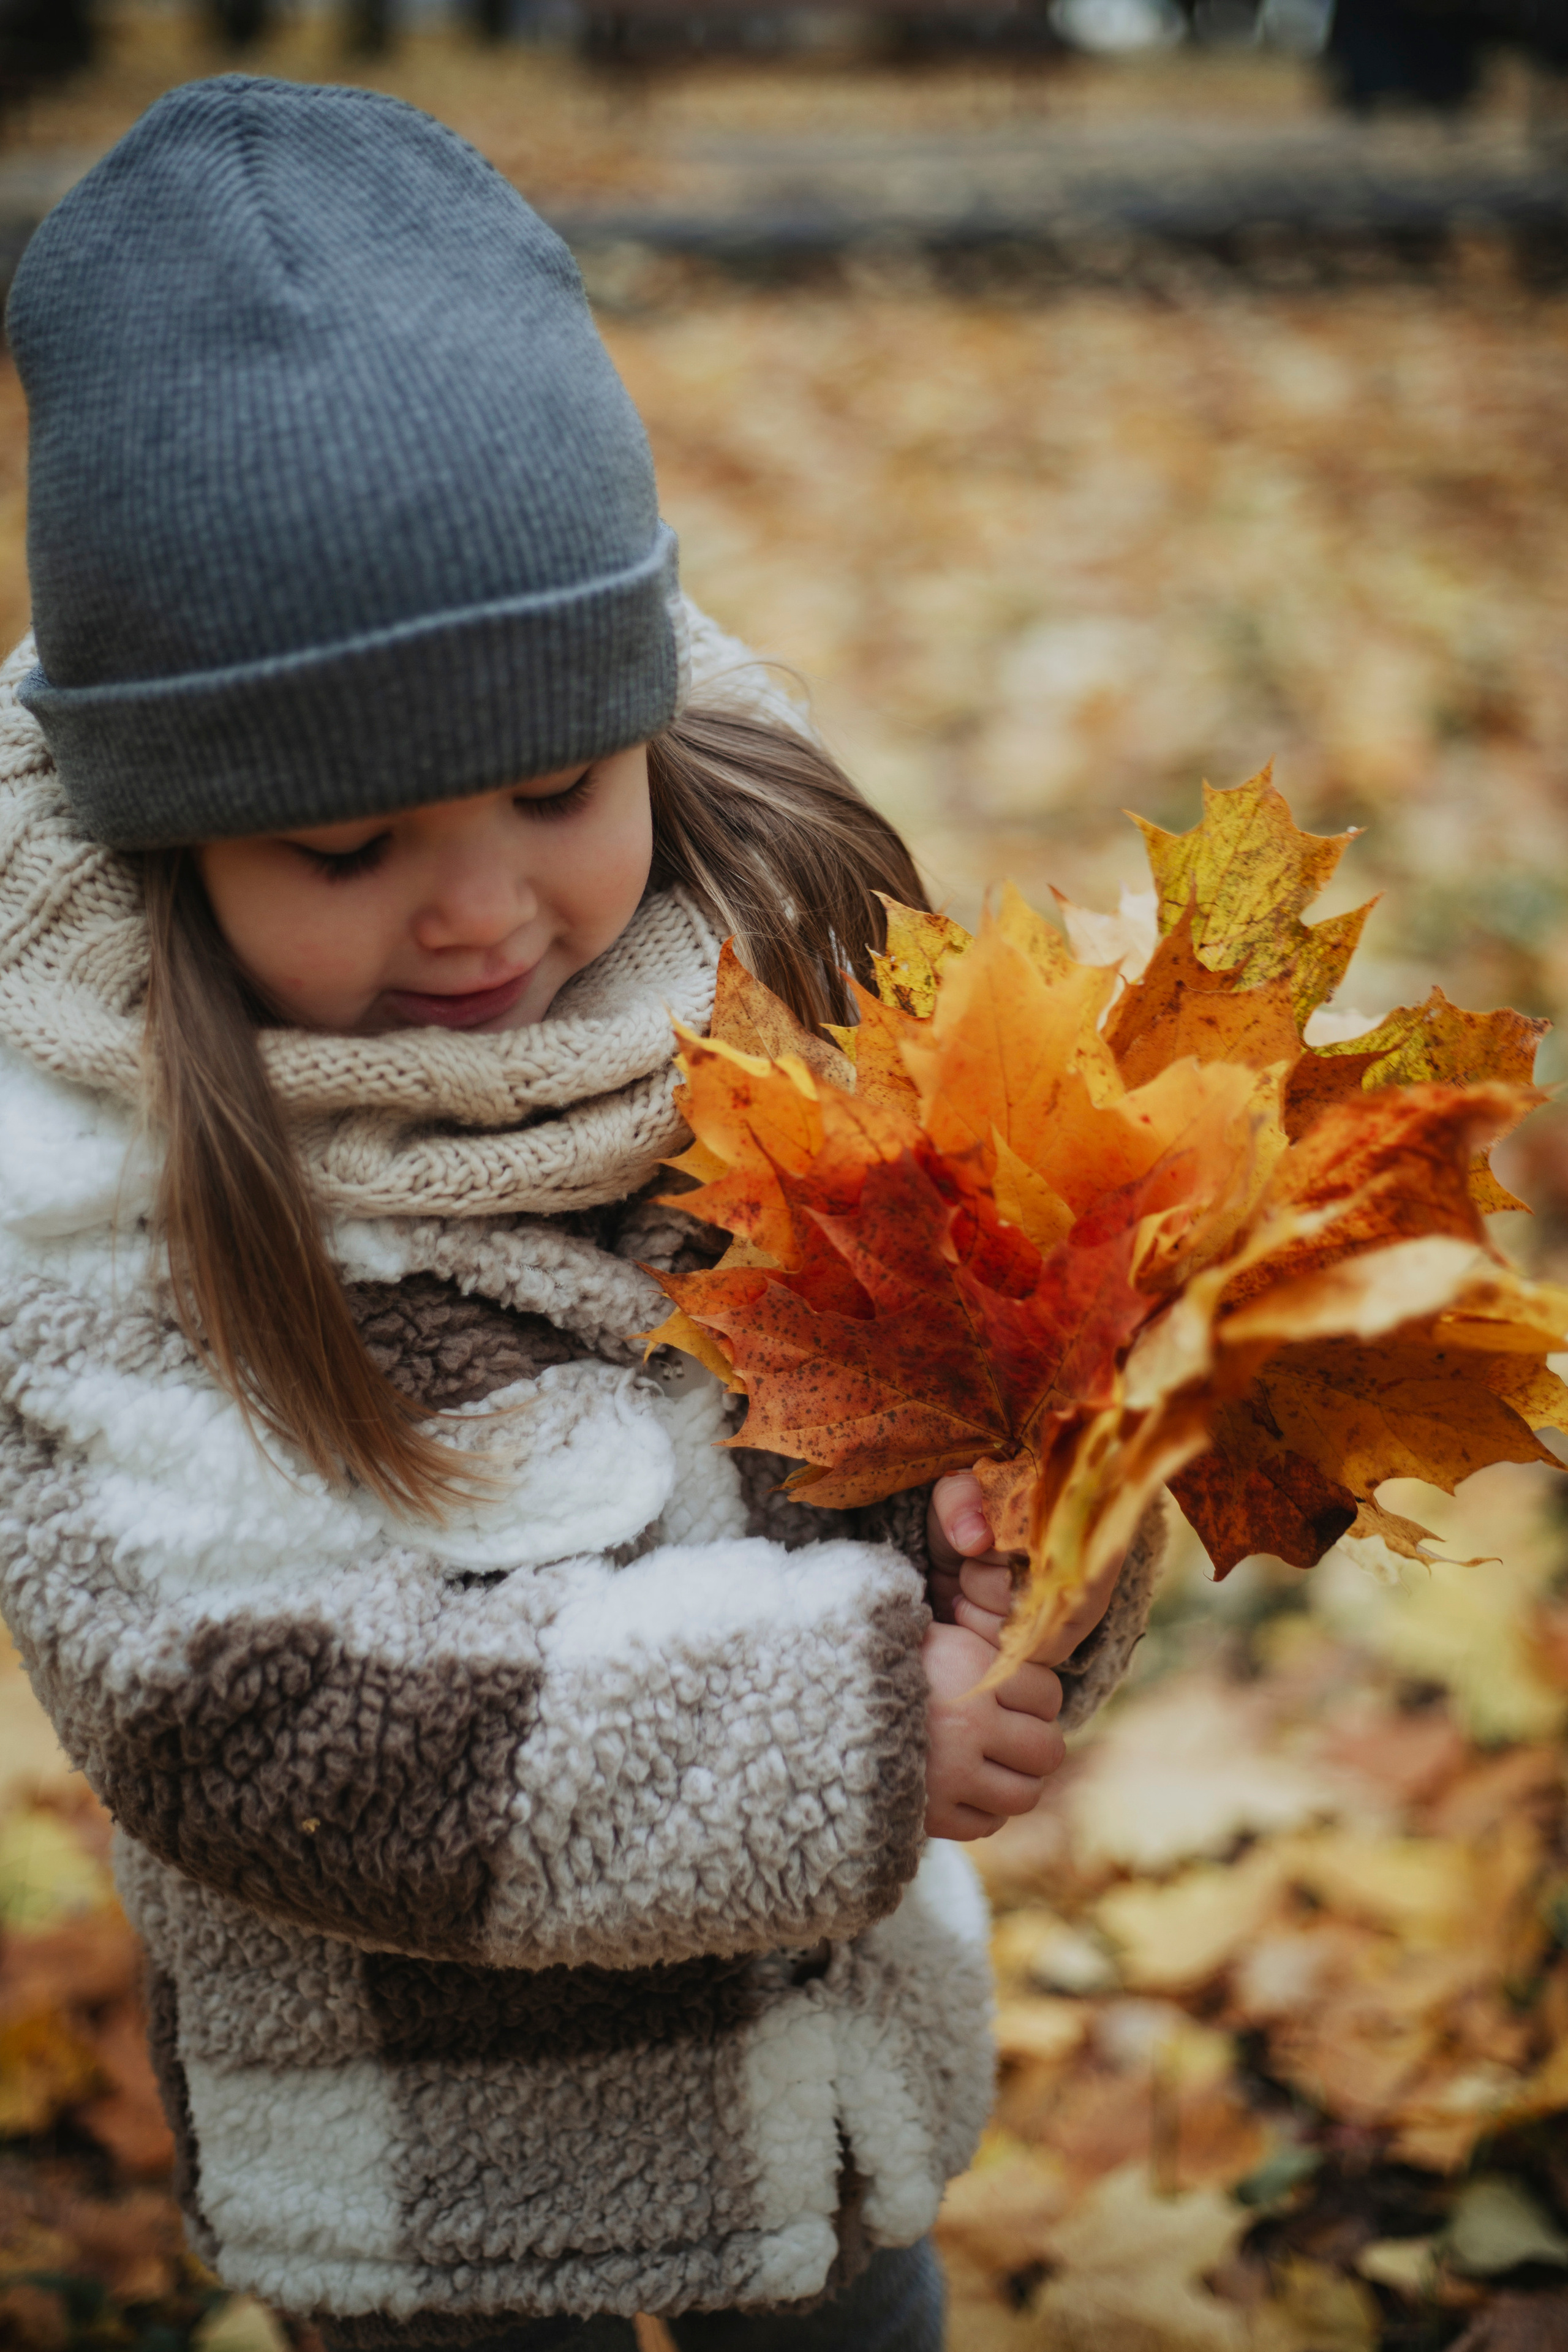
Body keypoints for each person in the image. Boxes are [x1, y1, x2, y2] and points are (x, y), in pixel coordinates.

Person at [0, 76, 1163, 2352]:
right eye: (344, 852)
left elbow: (927, 1408)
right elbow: (243, 1719)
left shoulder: (774, 952)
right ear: (174, 843)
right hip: (447, 2193)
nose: (479, 910)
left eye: (556, 787)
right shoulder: (90, 1165)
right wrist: (849, 1741)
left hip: (825, 2109)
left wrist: (1020, 1564)